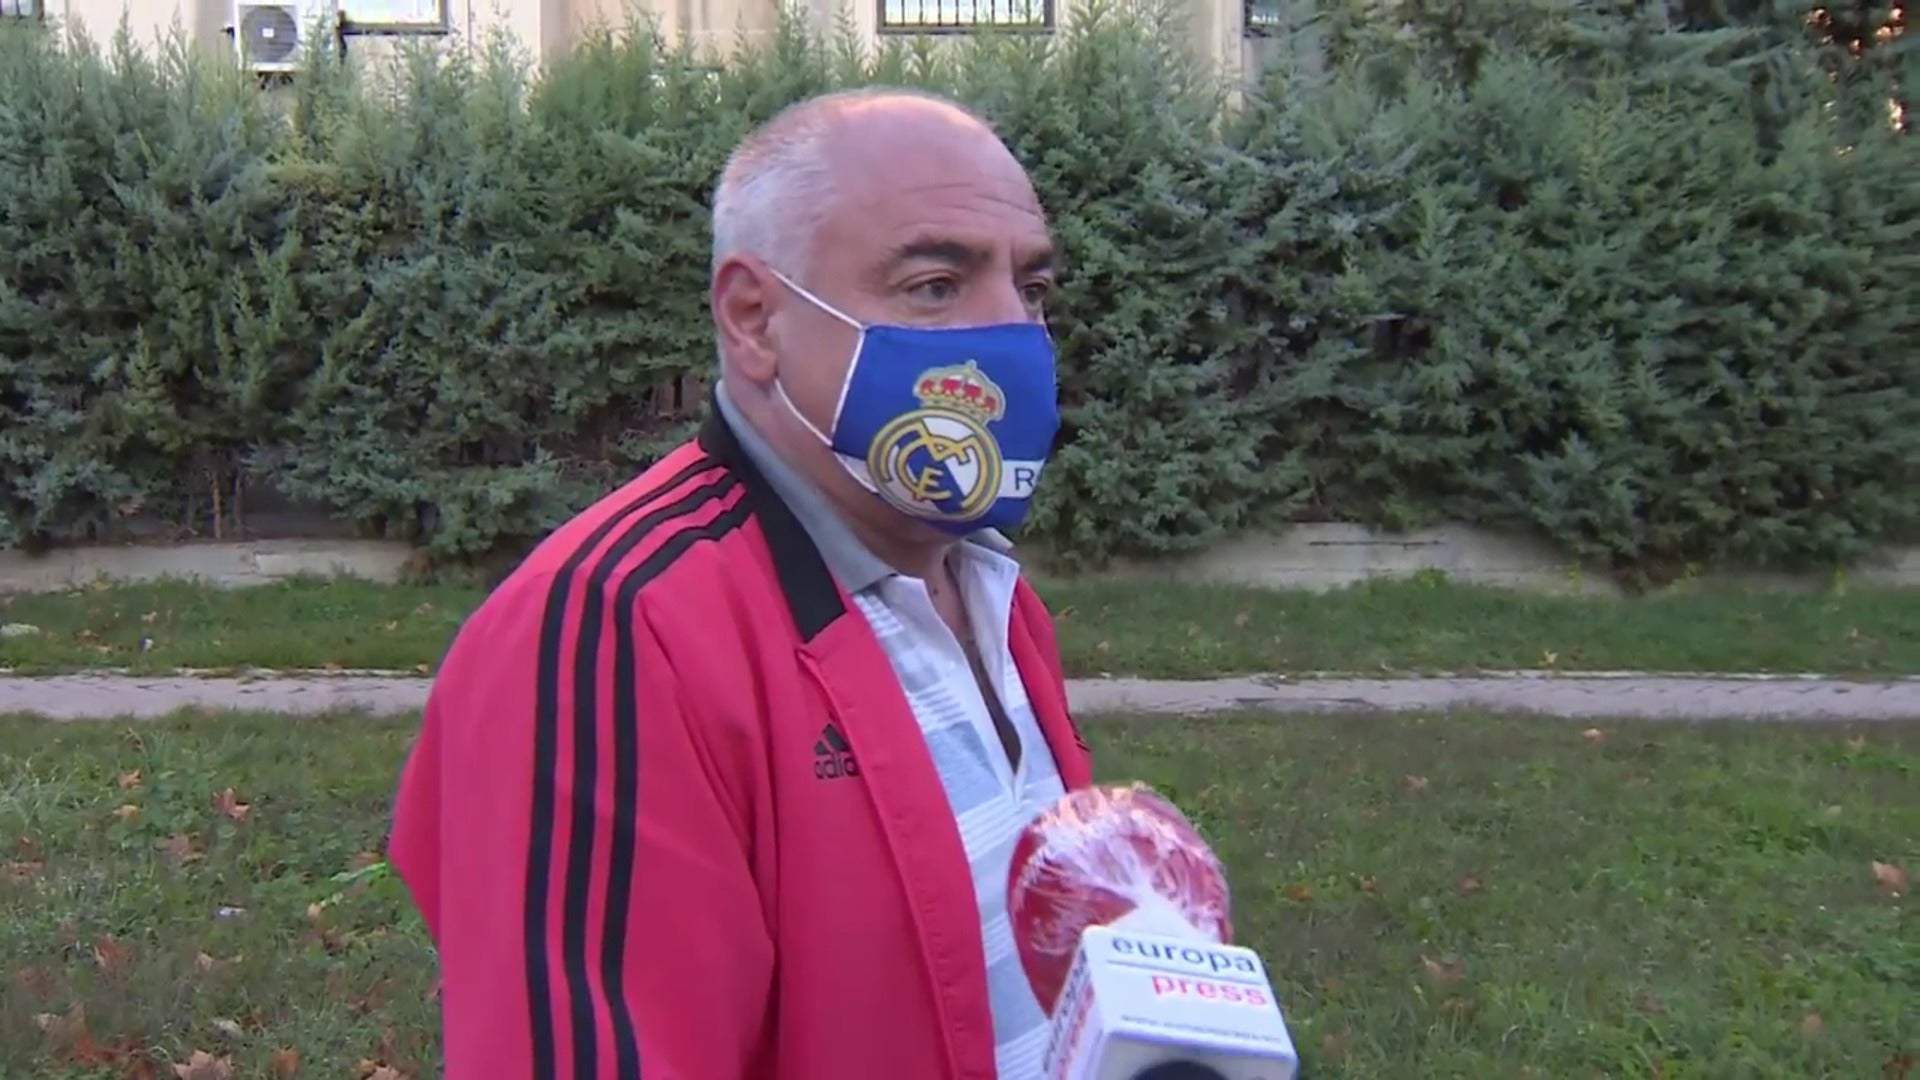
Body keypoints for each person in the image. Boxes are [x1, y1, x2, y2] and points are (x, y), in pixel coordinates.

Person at [387, 87, 1093, 1079]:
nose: (1013, 334)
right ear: (755, 319)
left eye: (1033, 288)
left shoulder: (986, 588)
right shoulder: (616, 635)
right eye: (936, 286)